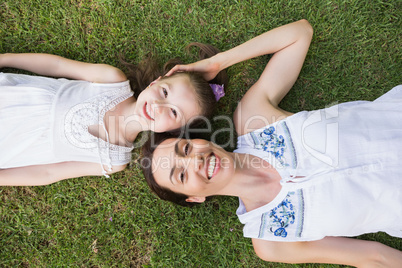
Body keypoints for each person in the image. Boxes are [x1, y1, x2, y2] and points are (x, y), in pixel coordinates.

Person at [141, 20, 402, 266]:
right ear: (195, 198)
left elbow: (300, 34)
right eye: (182, 174)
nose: (195, 160)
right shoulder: (272, 240)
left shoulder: (253, 120)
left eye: (185, 149)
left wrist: (217, 63)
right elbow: (374, 258)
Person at [0, 44, 227, 186]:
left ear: (173, 131)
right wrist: (5, 58)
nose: (158, 105)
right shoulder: (112, 81)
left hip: (12, 148)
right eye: (165, 92)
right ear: (155, 82)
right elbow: (57, 66)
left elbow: (48, 172)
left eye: (173, 111)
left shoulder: (114, 160)